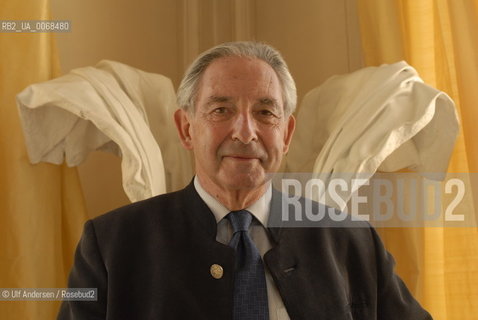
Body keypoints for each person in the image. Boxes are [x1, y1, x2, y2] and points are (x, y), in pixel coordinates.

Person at [58, 41, 432, 320]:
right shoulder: (111, 244)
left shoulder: (352, 241)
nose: (245, 131)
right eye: (221, 109)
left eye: (265, 112)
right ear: (186, 128)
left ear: (286, 134)